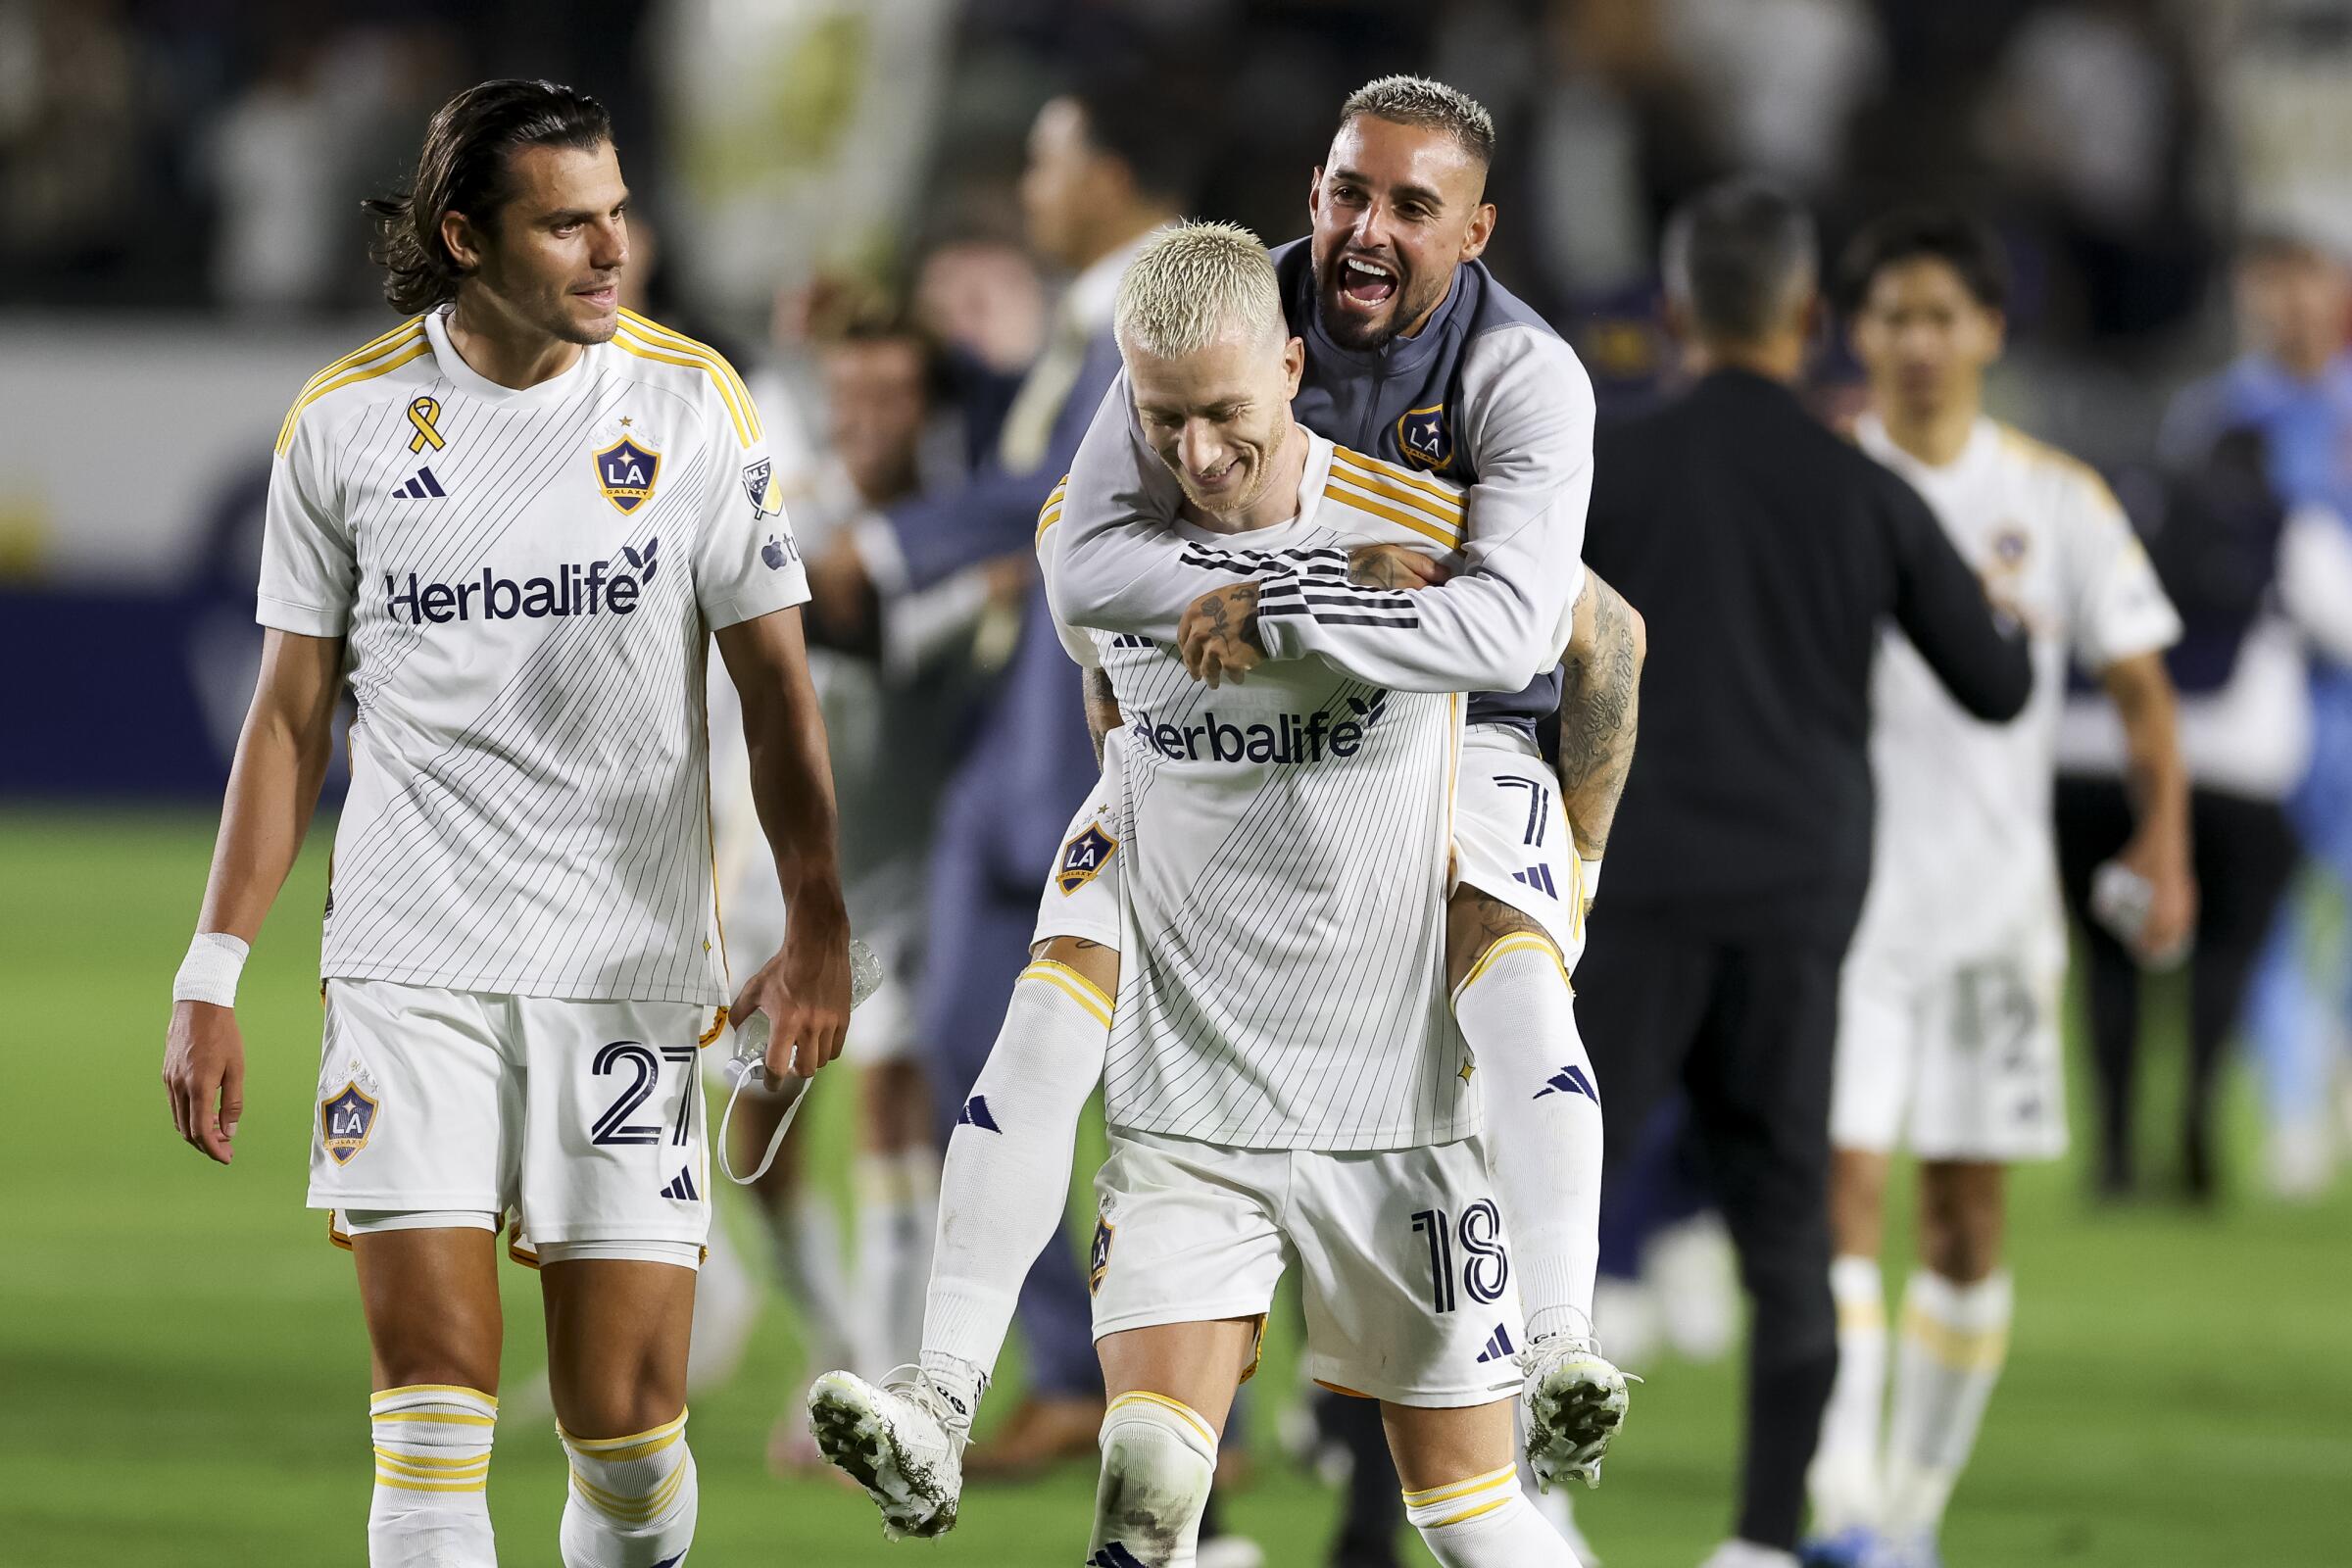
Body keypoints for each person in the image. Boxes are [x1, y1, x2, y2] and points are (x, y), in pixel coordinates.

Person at [820, 220, 1627, 1568]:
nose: (1195, 455)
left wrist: (1579, 863)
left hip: (1388, 1094)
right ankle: (938, 1403)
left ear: (1295, 367)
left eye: (1226, 415)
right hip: (1197, 1097)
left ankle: (1565, 1347)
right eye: (1160, 419)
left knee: (1471, 1514)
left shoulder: (1424, 531)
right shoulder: (1095, 534)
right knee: (1144, 1471)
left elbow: (1600, 638)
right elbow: (1096, 665)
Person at [156, 79, 851, 1568]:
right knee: (430, 1419)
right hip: (414, 957)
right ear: (466, 237)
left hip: (626, 967)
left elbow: (780, 696)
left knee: (626, 1439)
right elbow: (288, 718)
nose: (611, 251)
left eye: (617, 214)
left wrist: (817, 929)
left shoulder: (690, 402)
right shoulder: (346, 426)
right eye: (566, 225)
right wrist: (209, 975)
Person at [1573, 180, 2034, 1568]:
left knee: (1542, 1206)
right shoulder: (1868, 491)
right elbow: (1998, 682)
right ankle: (1767, 1541)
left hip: (1625, 890)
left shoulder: (1606, 466)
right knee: (1787, 1228)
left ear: (1670, 316)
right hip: (1797, 900)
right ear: (1812, 320)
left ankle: (1508, 1502)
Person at [1804, 208, 2191, 1568]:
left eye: (1942, 316)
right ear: (1859, 334)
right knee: (1840, 1185)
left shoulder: (2058, 498)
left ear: (1989, 331)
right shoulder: (1820, 485)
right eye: (1893, 316)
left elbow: (2143, 689)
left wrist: (2165, 843)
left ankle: (1913, 1511)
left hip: (1995, 915)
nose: (1918, 341)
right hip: (1842, 909)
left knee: (1966, 1210)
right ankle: (1843, 1502)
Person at [698, 313, 1022, 1471]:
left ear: (929, 412)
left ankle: (889, 1396)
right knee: (760, 1147)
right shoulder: (782, 506)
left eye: (894, 396)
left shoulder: (952, 533)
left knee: (896, 1114)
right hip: (775, 892)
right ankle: (835, 1342)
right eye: (853, 394)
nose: (869, 417)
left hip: (898, 889)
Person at [2166, 224, 2352, 1197]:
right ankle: (2291, 1110)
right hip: (2261, 699)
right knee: (2266, 914)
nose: (2290, 307)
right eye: (2270, 289)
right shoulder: (2213, 417)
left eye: (2306, 285)